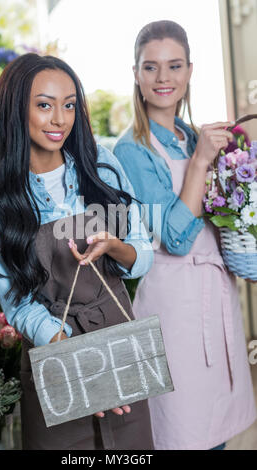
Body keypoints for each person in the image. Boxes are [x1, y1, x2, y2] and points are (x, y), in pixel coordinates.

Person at [0, 53, 155, 450]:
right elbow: (19, 305)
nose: (60, 119)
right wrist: (78, 359)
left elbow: (142, 254)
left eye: (69, 105)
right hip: (55, 353)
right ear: (14, 109)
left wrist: (115, 247)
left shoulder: (101, 166)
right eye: (44, 105)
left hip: (119, 346)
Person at [114, 20, 257, 451]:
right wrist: (200, 163)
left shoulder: (191, 136)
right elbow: (174, 239)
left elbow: (223, 215)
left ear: (190, 71)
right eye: (151, 67)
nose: (163, 78)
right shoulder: (131, 151)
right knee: (181, 433)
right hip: (172, 308)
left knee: (216, 433)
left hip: (214, 296)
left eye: (174, 66)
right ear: (136, 75)